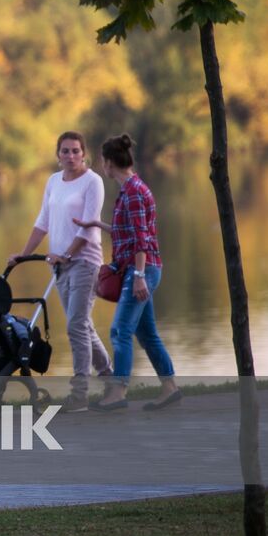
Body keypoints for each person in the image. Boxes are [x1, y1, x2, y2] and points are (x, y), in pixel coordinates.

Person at [74, 134, 180, 411]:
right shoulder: (131, 189)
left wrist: (139, 276)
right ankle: (170, 388)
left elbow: (142, 239)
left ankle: (118, 393)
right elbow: (129, 233)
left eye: (102, 161)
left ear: (109, 163)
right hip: (140, 268)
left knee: (120, 331)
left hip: (140, 269)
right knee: (147, 335)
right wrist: (96, 223)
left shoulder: (133, 192)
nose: (102, 166)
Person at [10, 130, 112, 410]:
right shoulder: (54, 181)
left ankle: (79, 395)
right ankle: (110, 378)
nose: (70, 156)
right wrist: (24, 254)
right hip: (59, 265)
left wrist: (67, 254)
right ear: (58, 155)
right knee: (82, 325)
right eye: (65, 151)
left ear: (84, 153)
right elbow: (43, 221)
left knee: (76, 325)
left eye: (75, 151)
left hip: (84, 262)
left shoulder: (93, 182)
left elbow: (88, 223)